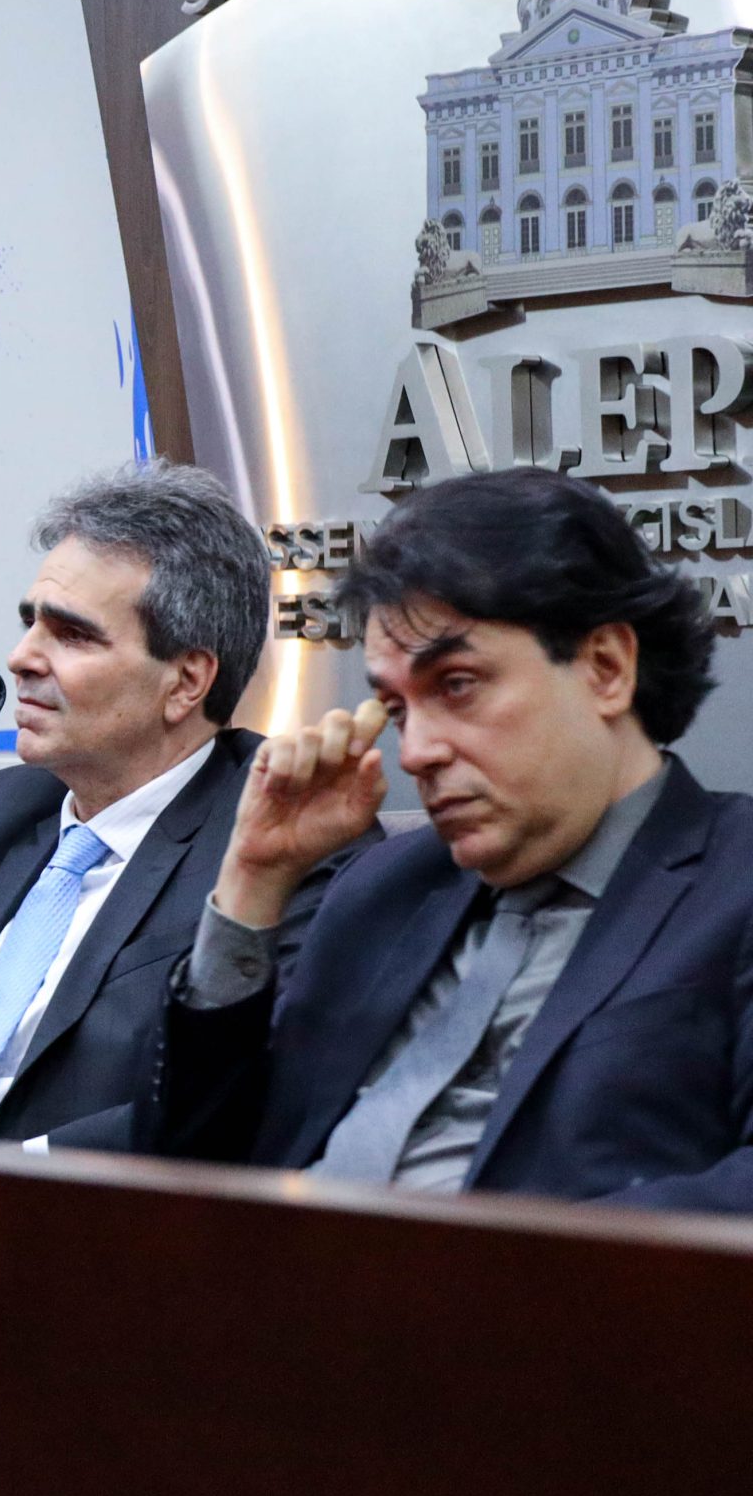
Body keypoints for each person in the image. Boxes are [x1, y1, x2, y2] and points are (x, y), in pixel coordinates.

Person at [145, 466, 753, 1210]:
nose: (415, 752)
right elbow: (198, 1175)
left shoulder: (734, 880)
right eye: (398, 709)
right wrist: (252, 880)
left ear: (605, 668)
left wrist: (480, 1271)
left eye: (457, 685)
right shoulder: (381, 889)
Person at [0, 462, 357, 1146]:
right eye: (29, 624)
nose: (21, 657)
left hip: (68, 1204)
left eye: (71, 635)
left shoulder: (284, 841)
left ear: (186, 682)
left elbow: (242, 1098)